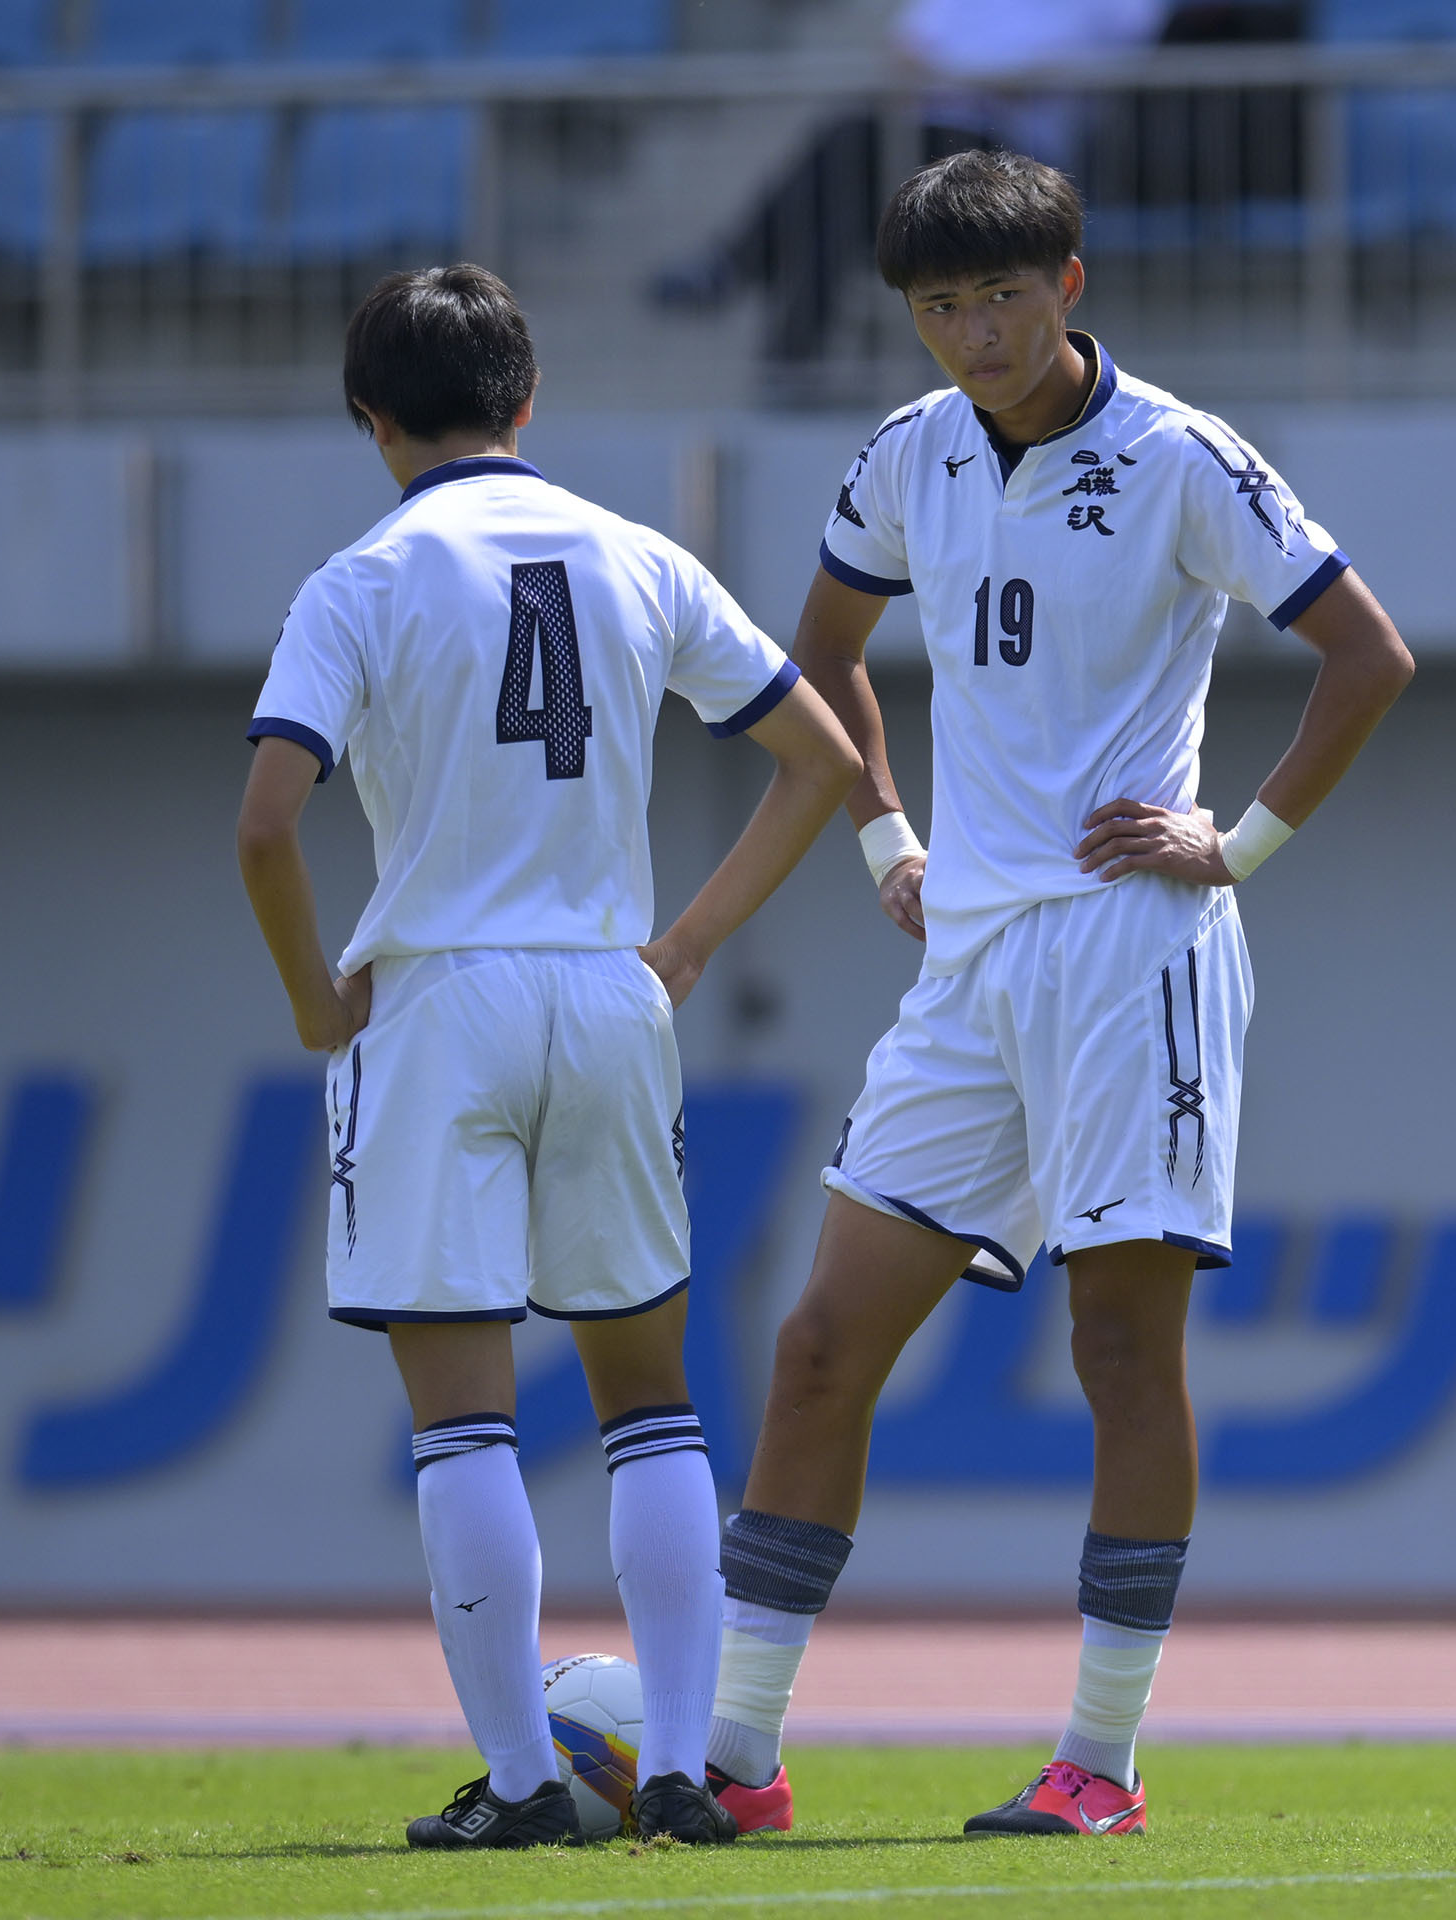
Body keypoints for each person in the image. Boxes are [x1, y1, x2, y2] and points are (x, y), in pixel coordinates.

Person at [701, 149, 1416, 1839]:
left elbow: (1369, 654)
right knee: (813, 1351)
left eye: (1001, 298)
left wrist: (1236, 847)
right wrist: (884, 833)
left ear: (1069, 285)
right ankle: (735, 1760)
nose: (972, 335)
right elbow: (818, 669)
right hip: (970, 963)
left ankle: (1101, 1761)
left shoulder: (1180, 457)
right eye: (939, 308)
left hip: (1128, 952)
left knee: (1117, 1342)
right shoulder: (907, 454)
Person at [235, 264, 859, 1849]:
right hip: (606, 990)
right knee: (651, 1404)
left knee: (464, 1420)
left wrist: (317, 998)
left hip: (437, 998)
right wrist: (694, 942)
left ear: (371, 421)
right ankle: (675, 1772)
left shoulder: (361, 577)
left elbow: (266, 824)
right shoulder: (636, 553)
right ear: (528, 402)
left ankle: (520, 1786)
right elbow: (823, 761)